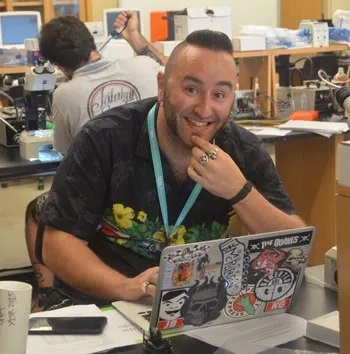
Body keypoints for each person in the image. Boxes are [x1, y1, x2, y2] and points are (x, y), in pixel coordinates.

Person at [37, 29, 306, 307]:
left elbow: (294, 247)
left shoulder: (242, 150)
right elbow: (56, 244)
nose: (204, 109)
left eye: (219, 94)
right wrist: (127, 287)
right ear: (162, 86)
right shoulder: (106, 138)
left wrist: (239, 192)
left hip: (196, 309)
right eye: (191, 89)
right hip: (107, 306)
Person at [24, 12, 166, 309]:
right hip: (161, 191)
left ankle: (51, 295)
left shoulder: (65, 93)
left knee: (38, 210)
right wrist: (135, 37)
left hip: (107, 203)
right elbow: (172, 71)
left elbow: (65, 153)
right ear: (91, 42)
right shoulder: (145, 65)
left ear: (59, 64)